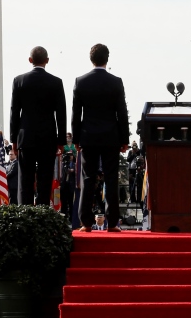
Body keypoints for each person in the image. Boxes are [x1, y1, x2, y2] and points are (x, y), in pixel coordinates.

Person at [72, 44, 130, 233]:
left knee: (88, 178)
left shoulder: (80, 82)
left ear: (91, 59)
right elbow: (122, 113)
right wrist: (124, 139)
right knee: (111, 179)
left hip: (88, 136)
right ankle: (112, 223)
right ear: (107, 59)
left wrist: (76, 140)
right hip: (111, 136)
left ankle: (86, 222)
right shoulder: (116, 82)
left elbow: (76, 115)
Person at [9, 46, 67, 207]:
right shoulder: (56, 82)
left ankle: (25, 212)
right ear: (47, 61)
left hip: (25, 136)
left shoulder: (19, 81)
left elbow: (14, 112)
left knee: (25, 179)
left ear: (30, 60)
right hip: (48, 136)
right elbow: (61, 114)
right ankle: (42, 212)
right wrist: (61, 141)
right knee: (45, 178)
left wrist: (14, 139)